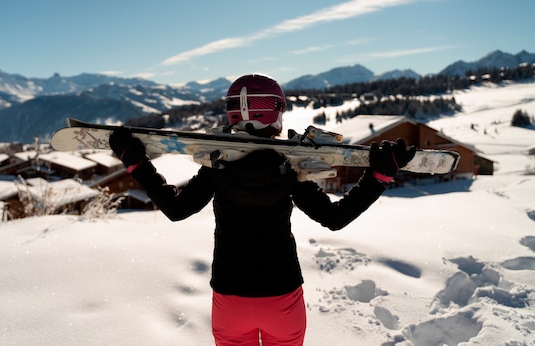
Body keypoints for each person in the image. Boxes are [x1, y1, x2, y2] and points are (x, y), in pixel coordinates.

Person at [109, 73, 416, 346]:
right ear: (275, 113)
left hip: (230, 298)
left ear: (232, 115)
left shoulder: (217, 166)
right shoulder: (290, 168)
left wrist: (137, 162)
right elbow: (334, 218)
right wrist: (379, 175)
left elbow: (176, 209)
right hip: (281, 296)